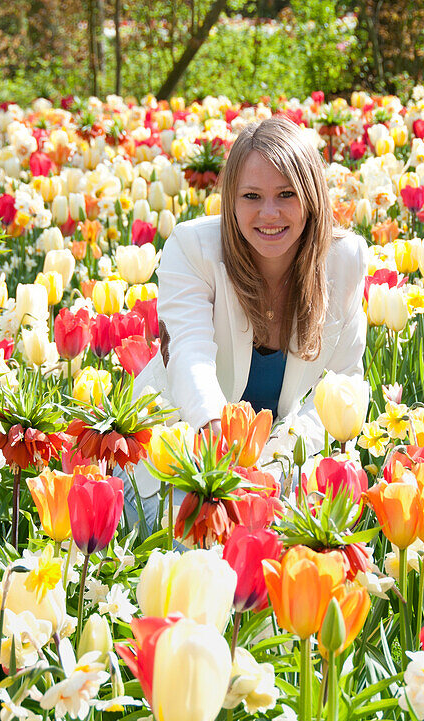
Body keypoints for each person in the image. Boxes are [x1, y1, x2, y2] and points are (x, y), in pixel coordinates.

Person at [127, 114, 369, 530]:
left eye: (286, 194)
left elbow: (343, 384)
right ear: (231, 201)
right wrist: (226, 449)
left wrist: (272, 467)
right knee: (203, 547)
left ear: (311, 196)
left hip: (278, 466)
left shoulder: (342, 259)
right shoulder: (193, 248)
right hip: (177, 456)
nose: (269, 213)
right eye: (252, 196)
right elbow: (190, 358)